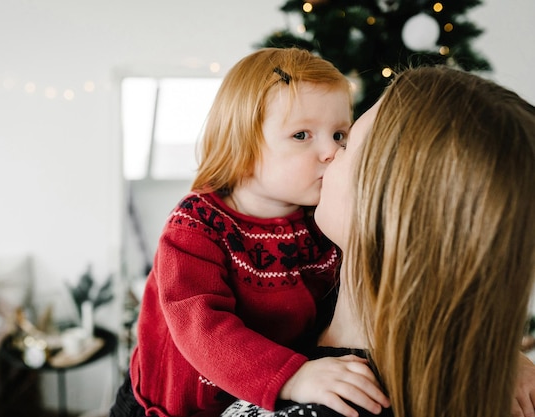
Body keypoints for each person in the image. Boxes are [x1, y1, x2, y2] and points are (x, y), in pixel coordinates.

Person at [222, 65, 535, 417]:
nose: (330, 154)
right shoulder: (305, 290)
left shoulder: (343, 403)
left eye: (347, 142)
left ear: (386, 207)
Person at [109, 47, 390, 417]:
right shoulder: (197, 225)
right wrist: (293, 377)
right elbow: (201, 328)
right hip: (169, 406)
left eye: (340, 134)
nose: (331, 152)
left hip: (253, 398)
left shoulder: (321, 221)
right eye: (302, 134)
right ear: (241, 146)